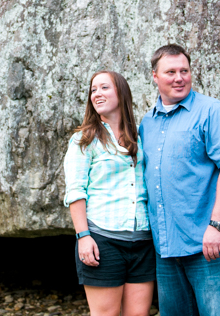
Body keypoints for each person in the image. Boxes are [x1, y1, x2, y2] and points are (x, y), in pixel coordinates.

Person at [139, 44, 220, 316]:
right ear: (155, 76)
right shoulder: (146, 123)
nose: (179, 77)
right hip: (167, 250)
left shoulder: (212, 111)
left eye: (184, 71)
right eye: (170, 71)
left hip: (209, 245)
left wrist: (218, 226)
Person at [63, 71, 155, 316]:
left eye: (104, 87)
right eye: (93, 90)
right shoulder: (84, 140)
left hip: (143, 241)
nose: (97, 94)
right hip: (103, 240)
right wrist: (83, 236)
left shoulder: (140, 138)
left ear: (121, 93)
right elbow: (75, 192)